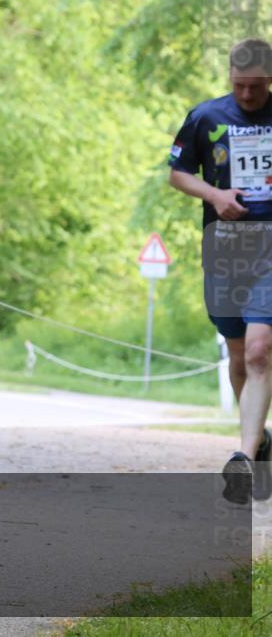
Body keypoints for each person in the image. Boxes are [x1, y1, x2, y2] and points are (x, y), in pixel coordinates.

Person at [168, 38, 272, 504]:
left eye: (256, 86)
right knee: (237, 357)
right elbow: (177, 173)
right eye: (239, 86)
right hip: (226, 251)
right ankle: (260, 440)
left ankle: (244, 458)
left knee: (259, 350)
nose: (247, 95)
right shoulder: (205, 117)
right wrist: (215, 196)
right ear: (229, 76)